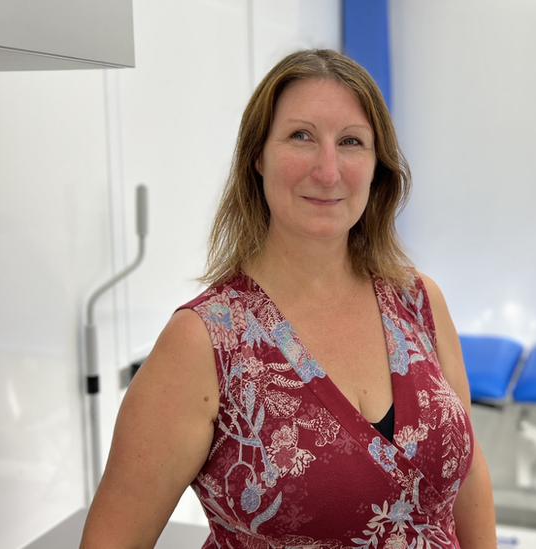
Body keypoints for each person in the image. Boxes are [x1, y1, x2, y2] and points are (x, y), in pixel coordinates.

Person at [80, 48, 497, 548]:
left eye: (351, 142)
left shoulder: (419, 302)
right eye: (301, 136)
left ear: (376, 166)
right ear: (258, 156)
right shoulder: (205, 343)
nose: (327, 170)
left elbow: (469, 477)